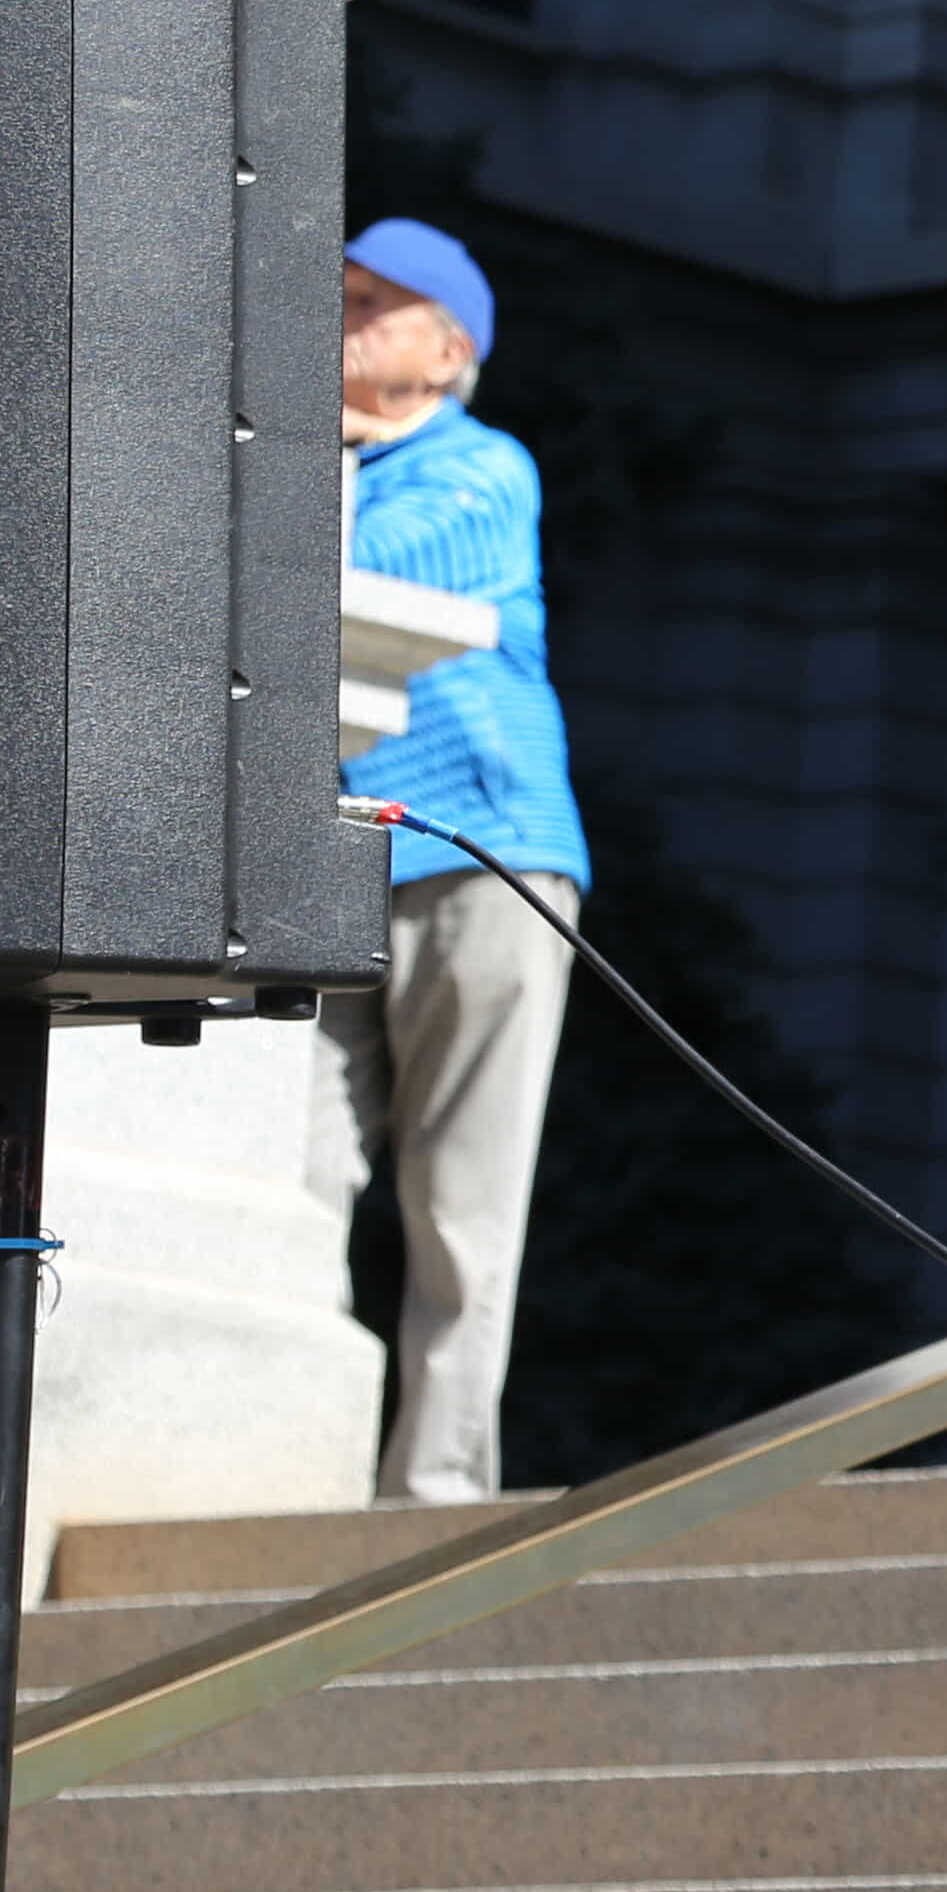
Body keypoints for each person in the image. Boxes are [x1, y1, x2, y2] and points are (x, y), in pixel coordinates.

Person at [310, 214, 591, 1505]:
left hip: (484, 858)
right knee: (299, 1167)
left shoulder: (483, 468)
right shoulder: (324, 461)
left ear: (448, 349)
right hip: (323, 864)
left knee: (461, 1201)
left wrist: (309, 466)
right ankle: (290, 1455)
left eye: (377, 303)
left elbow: (363, 569)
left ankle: (432, 1491)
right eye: (340, 293)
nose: (345, 317)